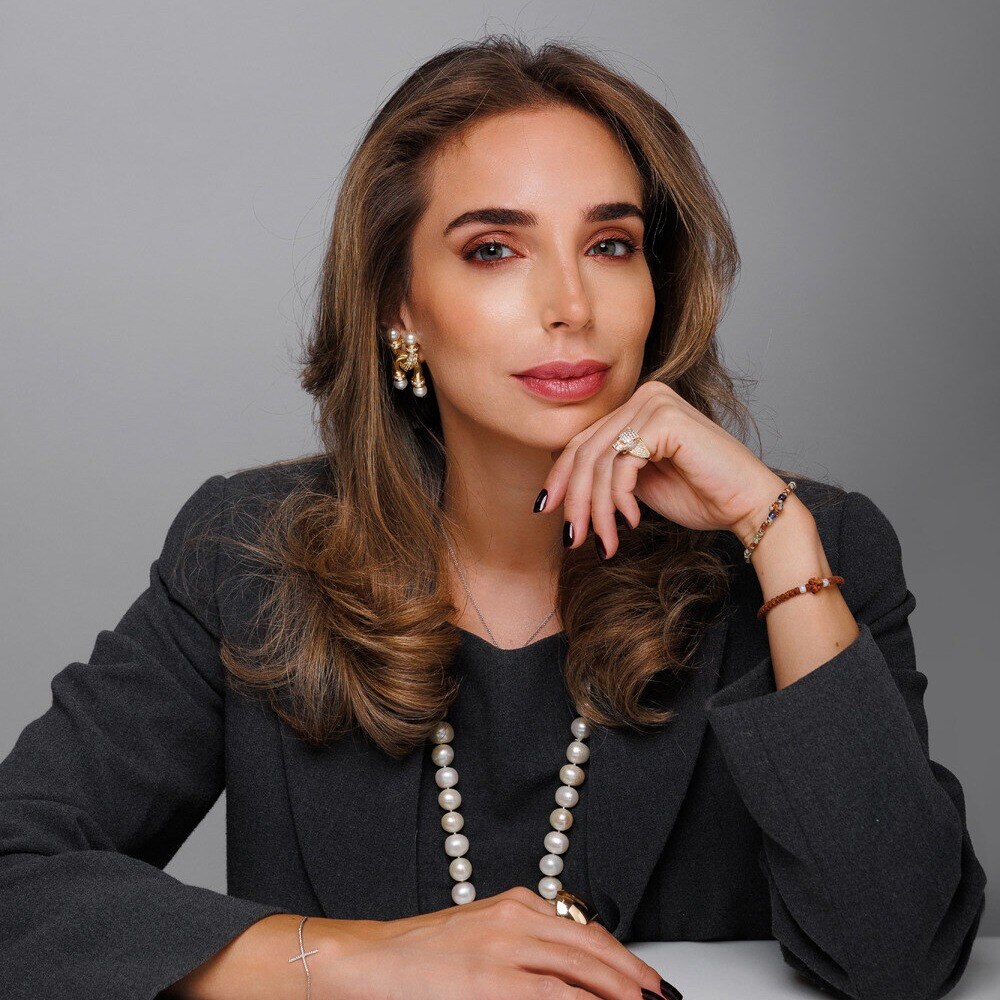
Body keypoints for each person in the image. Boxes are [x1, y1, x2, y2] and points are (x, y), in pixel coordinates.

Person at [0, 33, 987, 1000]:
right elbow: (14, 874)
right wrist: (352, 962)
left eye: (610, 245)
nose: (570, 304)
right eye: (493, 249)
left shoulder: (809, 546)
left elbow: (898, 954)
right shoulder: (247, 556)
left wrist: (772, 530)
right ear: (400, 306)